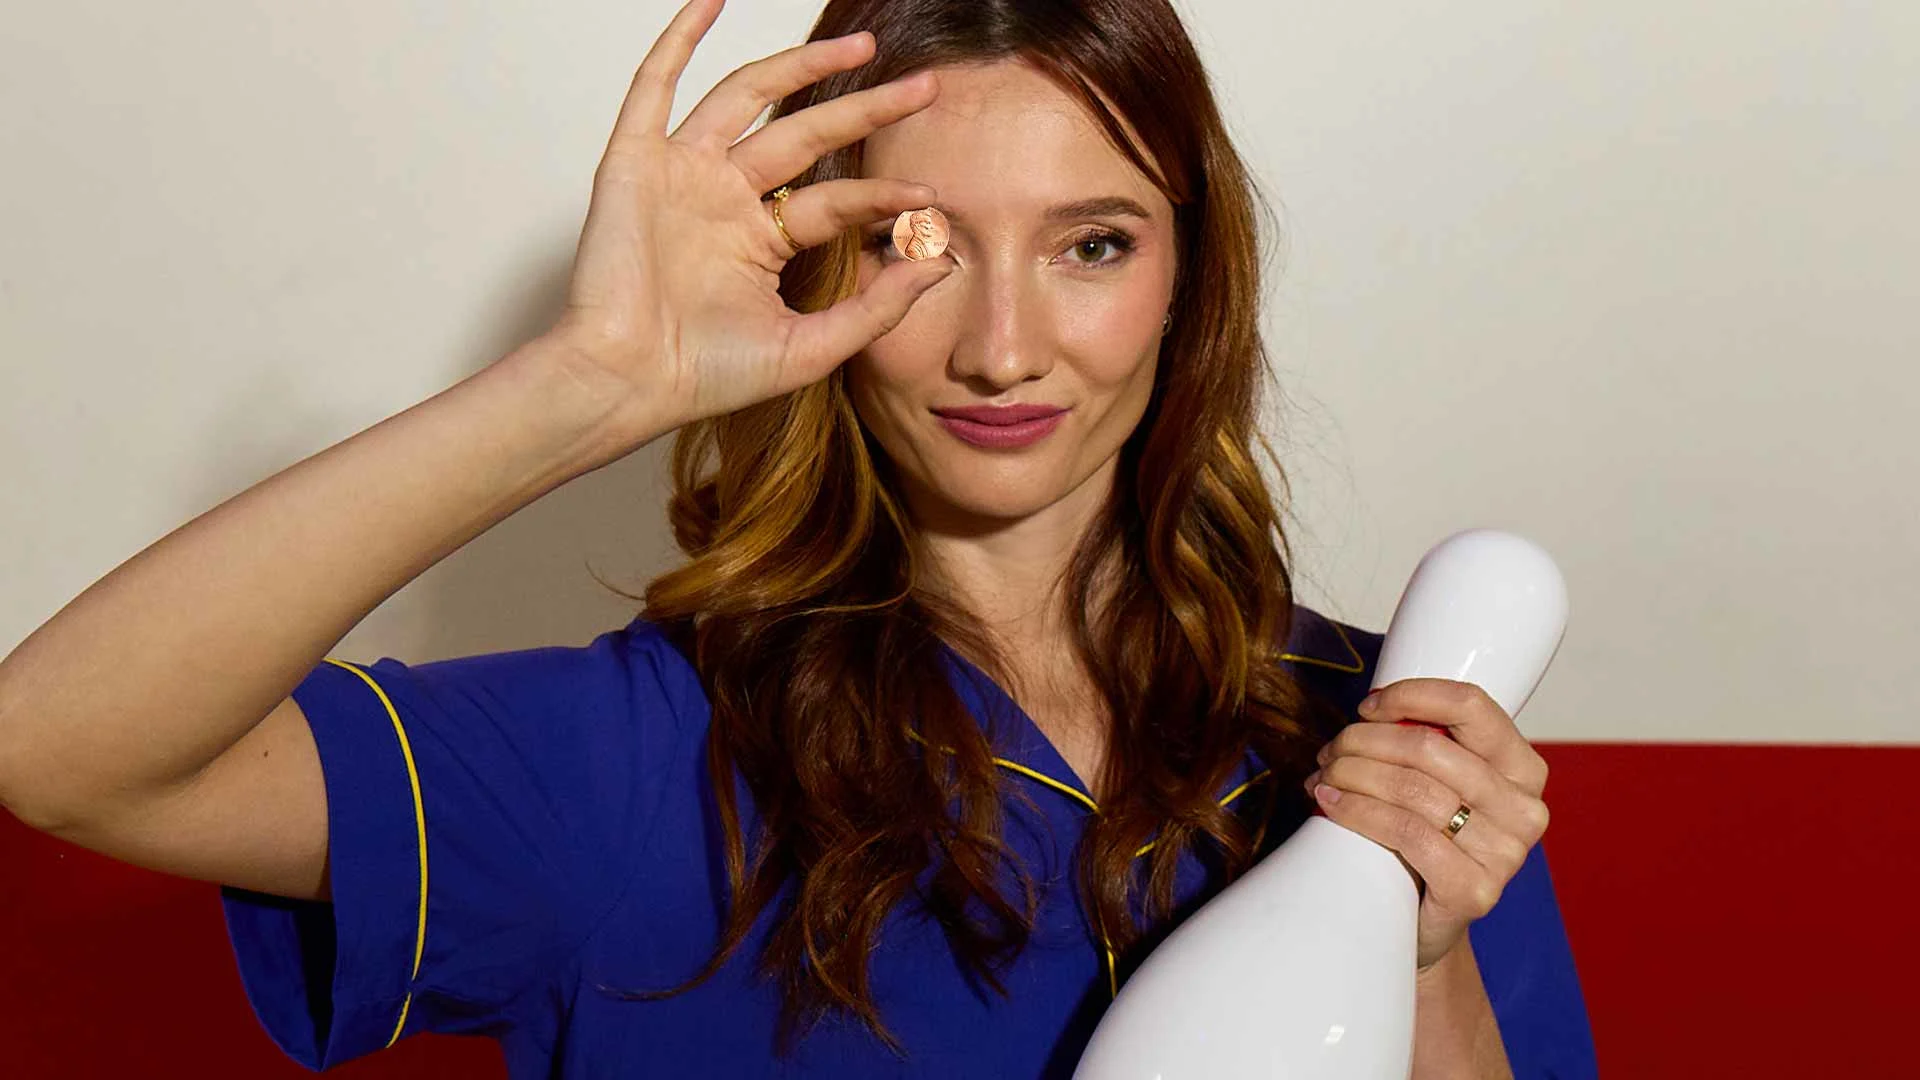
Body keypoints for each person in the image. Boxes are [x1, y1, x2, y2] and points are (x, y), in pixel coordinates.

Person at [0, 0, 1596, 1075]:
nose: (1001, 348)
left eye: (1091, 243)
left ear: (1190, 281)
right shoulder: (629, 760)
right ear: (814, 265)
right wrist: (588, 384)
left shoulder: (1392, 740)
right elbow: (63, 748)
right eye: (915, 243)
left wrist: (1424, 945)